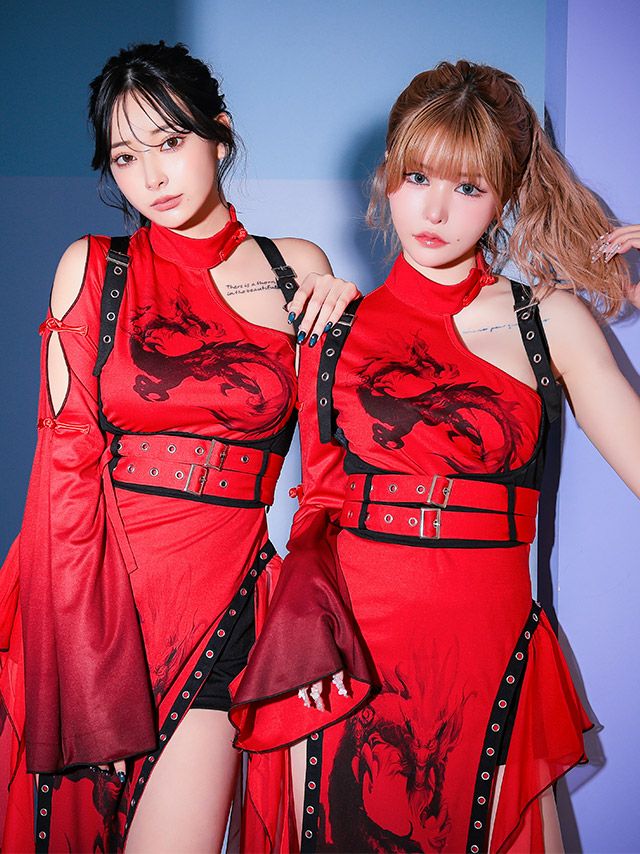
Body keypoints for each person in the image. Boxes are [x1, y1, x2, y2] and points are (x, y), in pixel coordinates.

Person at [230, 60, 640, 852]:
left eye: (468, 187)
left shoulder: (546, 321)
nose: (436, 210)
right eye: (418, 176)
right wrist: (305, 634)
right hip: (347, 650)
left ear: (504, 194)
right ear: (388, 174)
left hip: (485, 645)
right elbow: (316, 503)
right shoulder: (332, 324)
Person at [0, 41, 359, 852]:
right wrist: (80, 670)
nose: (153, 176)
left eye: (171, 142)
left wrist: (350, 324)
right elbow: (63, 472)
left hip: (226, 604)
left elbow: (333, 470)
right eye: (126, 156)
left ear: (219, 136)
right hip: (97, 603)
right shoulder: (93, 268)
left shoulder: (297, 271)